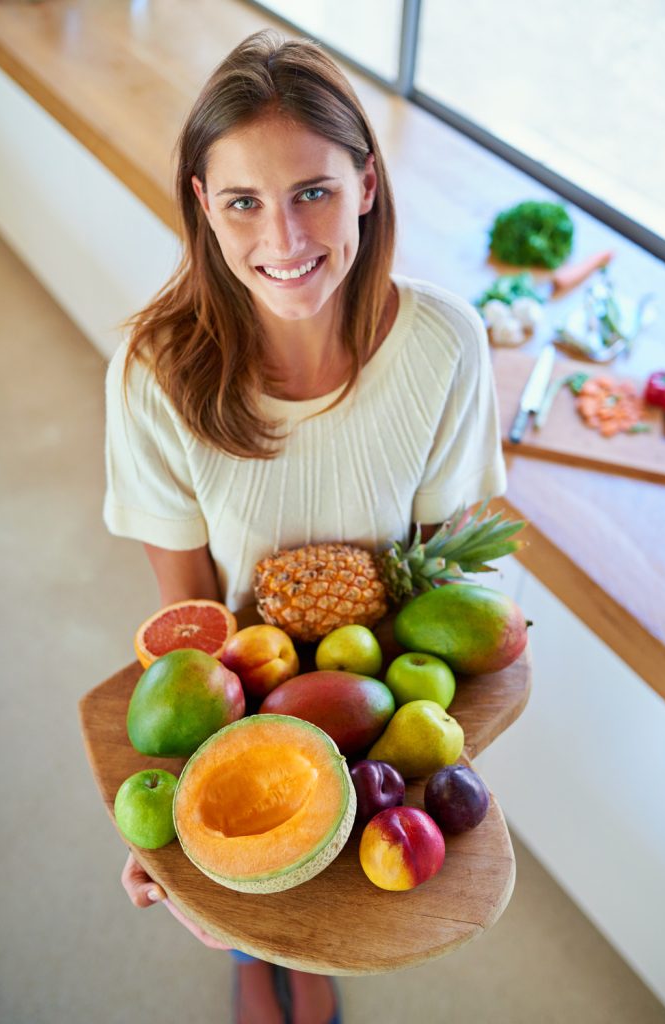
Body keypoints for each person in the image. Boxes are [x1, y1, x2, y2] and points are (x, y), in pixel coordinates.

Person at [104, 28, 507, 1024]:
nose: (282, 241)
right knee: (253, 892)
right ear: (204, 204)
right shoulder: (154, 372)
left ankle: (303, 951)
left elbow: (445, 585)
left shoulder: (446, 345)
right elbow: (190, 622)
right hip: (247, 685)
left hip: (388, 688)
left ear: (367, 184)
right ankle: (255, 940)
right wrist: (175, 826)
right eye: (243, 200)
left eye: (313, 192)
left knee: (345, 888)